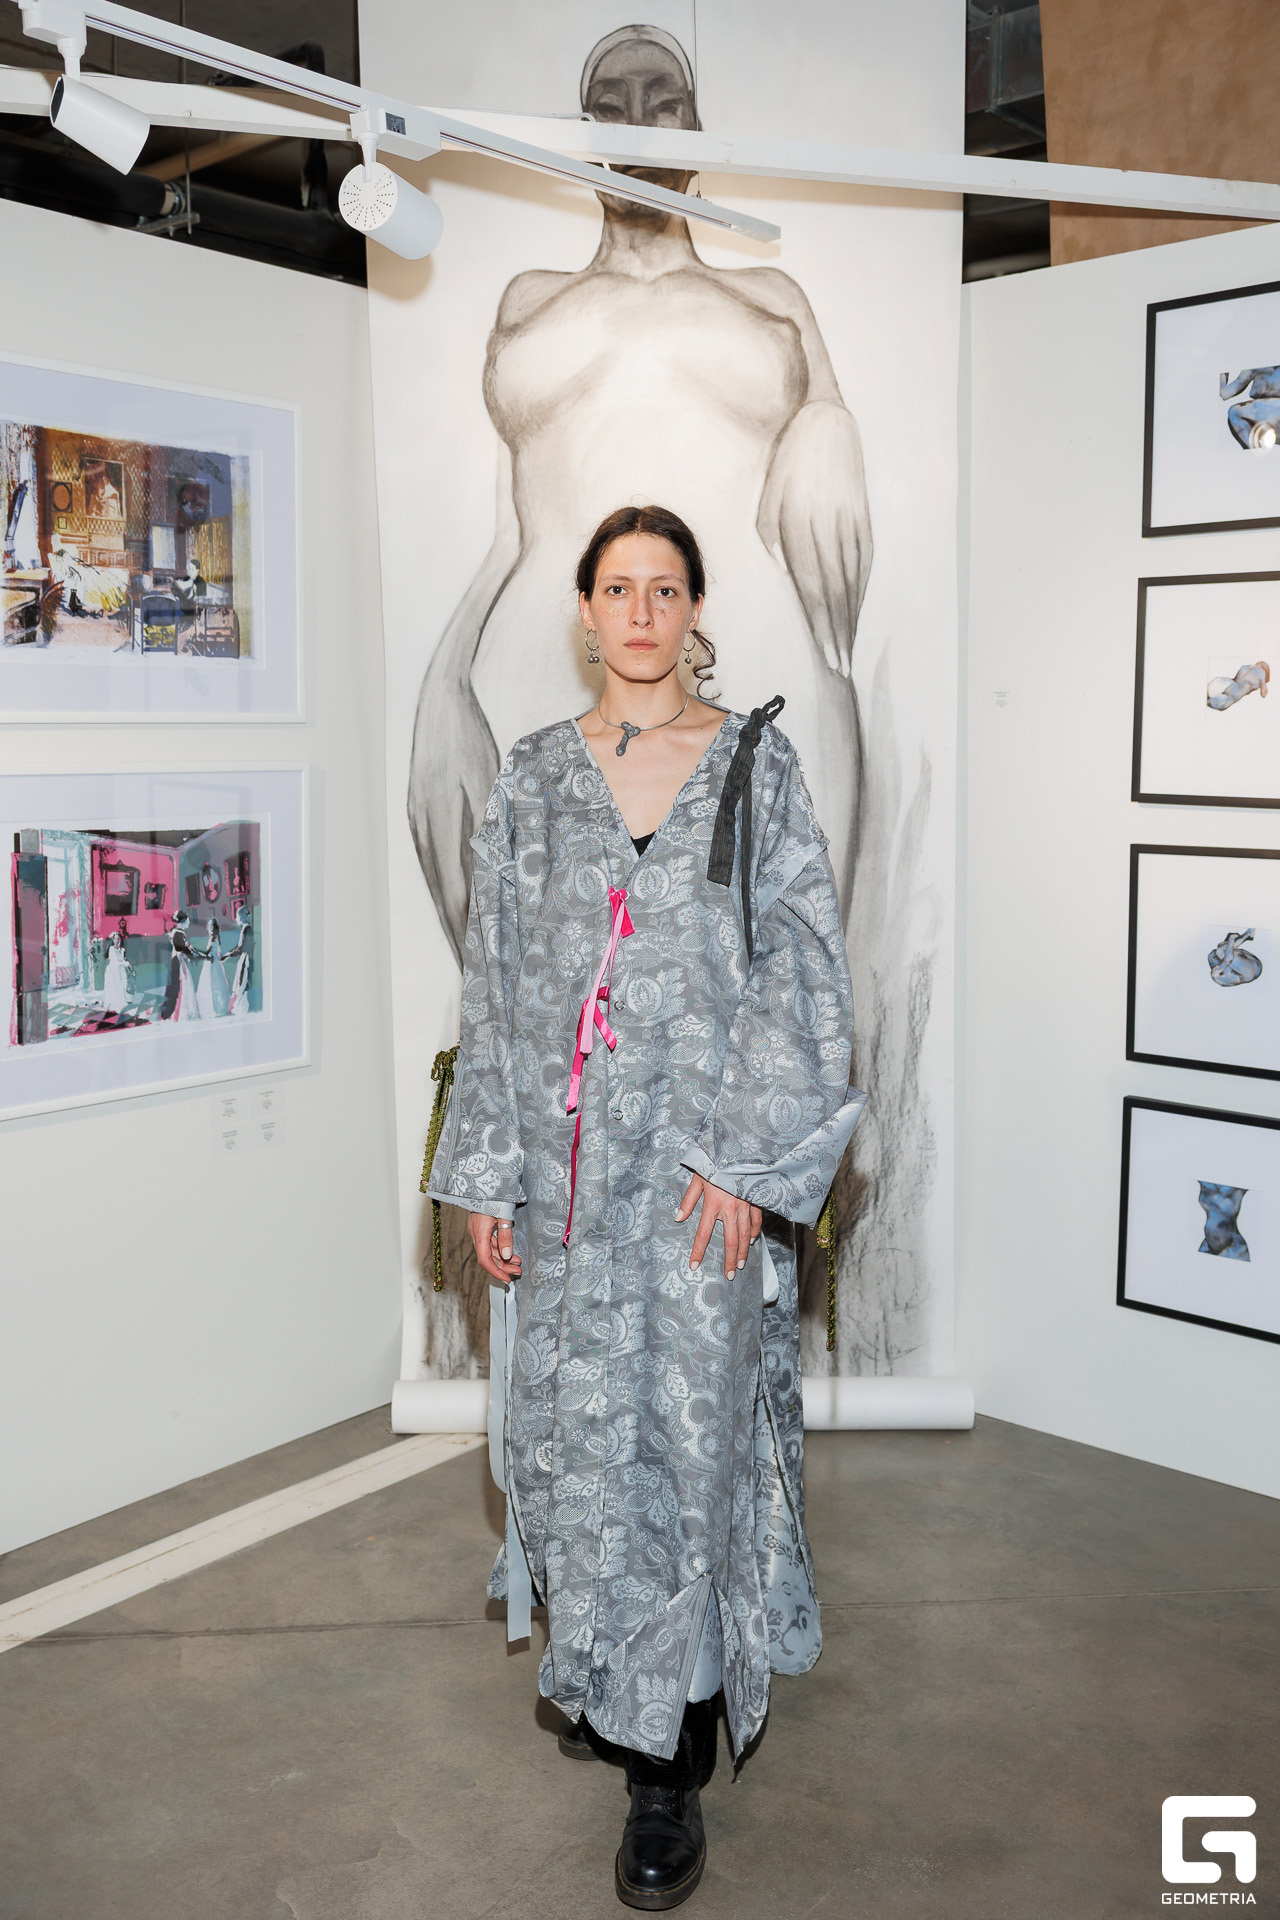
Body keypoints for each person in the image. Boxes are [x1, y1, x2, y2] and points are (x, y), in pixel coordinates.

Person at [424, 504, 864, 1910]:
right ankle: (608, 1669)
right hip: (564, 1189)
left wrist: (744, 1163)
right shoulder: (534, 776)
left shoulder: (754, 765)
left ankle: (666, 1762)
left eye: (664, 589)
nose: (639, 612)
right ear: (585, 608)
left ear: (693, 609)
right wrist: (488, 1172)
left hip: (696, 1187)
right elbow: (495, 982)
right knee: (577, 1442)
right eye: (616, 587)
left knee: (685, 1451)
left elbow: (803, 966)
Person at [408, 23, 872, 971]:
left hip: (755, 660)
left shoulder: (773, 298)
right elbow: (511, 529)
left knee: (762, 965)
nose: (638, 125)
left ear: (698, 132)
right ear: (580, 137)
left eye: (665, 105)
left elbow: (824, 461)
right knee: (558, 979)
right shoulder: (528, 301)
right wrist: (444, 686)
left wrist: (829, 426)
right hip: (535, 671)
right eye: (610, 107)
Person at [159, 909, 199, 1021]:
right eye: (188, 921)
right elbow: (182, 949)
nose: (189, 923)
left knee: (179, 985)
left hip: (178, 961)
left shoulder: (178, 932)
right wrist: (192, 954)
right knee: (179, 985)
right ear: (183, 921)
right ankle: (177, 1011)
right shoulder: (178, 933)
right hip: (177, 962)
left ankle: (173, 1011)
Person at [195, 916, 229, 1019]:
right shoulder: (216, 937)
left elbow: (208, 952)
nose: (209, 929)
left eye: (211, 927)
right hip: (214, 962)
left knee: (212, 985)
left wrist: (197, 954)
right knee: (215, 985)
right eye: (209, 926)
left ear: (214, 928)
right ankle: (217, 1007)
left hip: (211, 964)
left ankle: (213, 1008)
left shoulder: (213, 938)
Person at [225, 904, 254, 1018]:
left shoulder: (246, 929)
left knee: (242, 982)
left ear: (242, 916)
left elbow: (240, 948)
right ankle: (240, 1006)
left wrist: (227, 955)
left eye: (237, 916)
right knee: (241, 982)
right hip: (244, 958)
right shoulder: (246, 929)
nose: (236, 919)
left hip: (245, 959)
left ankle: (240, 1007)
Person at [102, 923, 131, 1015]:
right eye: (115, 939)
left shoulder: (122, 950)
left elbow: (122, 959)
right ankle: (115, 1006)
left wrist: (125, 963)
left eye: (118, 939)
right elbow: (115, 961)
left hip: (120, 970)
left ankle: (122, 1003)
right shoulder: (111, 949)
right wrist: (125, 964)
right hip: (113, 970)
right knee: (114, 987)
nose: (117, 941)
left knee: (122, 986)